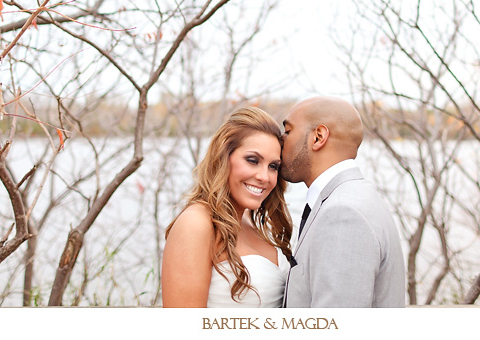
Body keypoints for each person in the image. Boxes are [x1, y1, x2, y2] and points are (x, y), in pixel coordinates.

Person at [281, 96, 405, 307]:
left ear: (318, 137)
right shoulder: (355, 196)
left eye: (288, 131)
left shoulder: (343, 213)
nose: (281, 140)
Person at [162, 107, 293, 307]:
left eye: (273, 166)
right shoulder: (196, 223)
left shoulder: (254, 224)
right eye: (253, 160)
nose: (264, 177)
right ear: (224, 157)